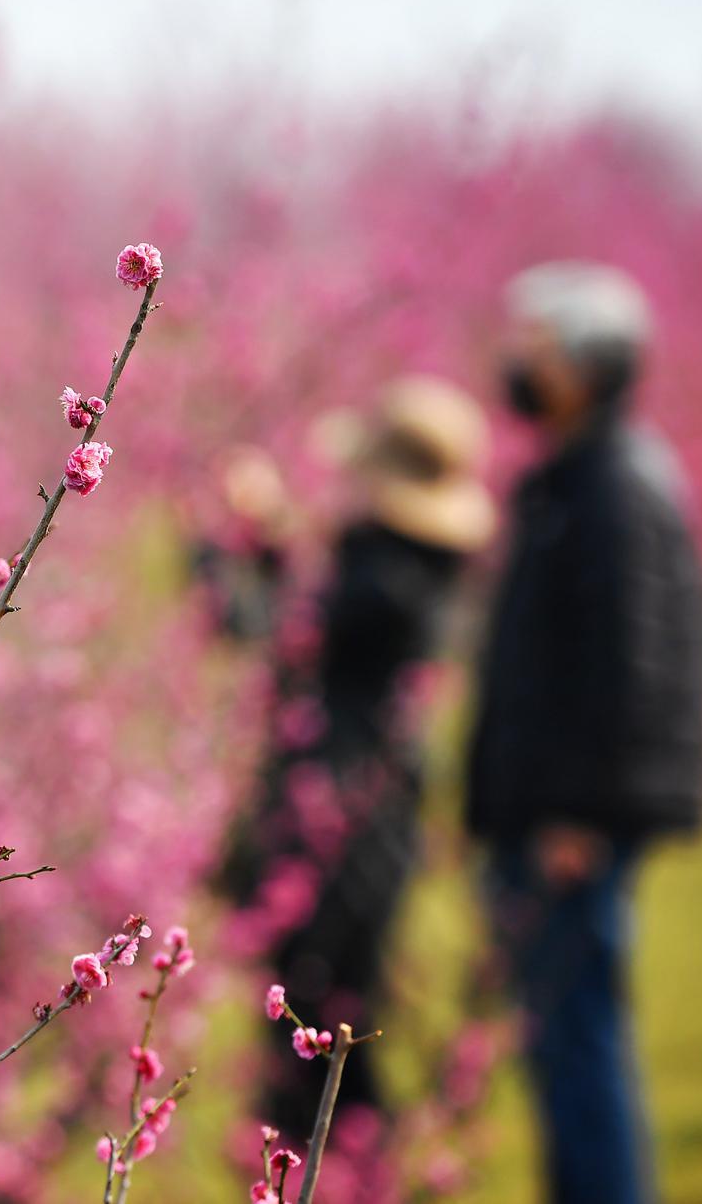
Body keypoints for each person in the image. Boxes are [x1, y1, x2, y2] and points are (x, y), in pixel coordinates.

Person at [467, 261, 702, 1204]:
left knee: (579, 1043)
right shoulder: (576, 479)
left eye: (537, 349)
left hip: (569, 827)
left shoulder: (613, 488)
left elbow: (629, 667)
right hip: (544, 814)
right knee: (559, 1045)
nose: (518, 365)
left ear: (588, 365)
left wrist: (578, 811)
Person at [220, 377, 496, 1149]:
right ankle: (338, 1163)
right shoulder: (411, 565)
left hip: (347, 818)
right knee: (329, 1009)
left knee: (320, 1005)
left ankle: (340, 1167)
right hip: (360, 808)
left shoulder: (389, 577)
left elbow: (280, 627)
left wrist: (222, 551)